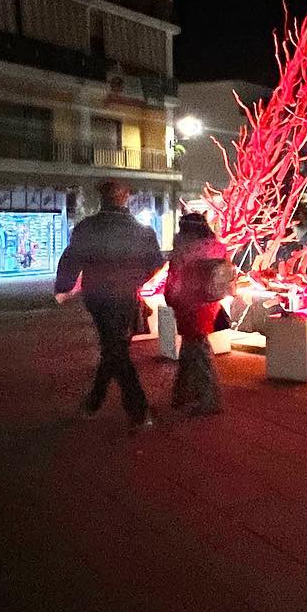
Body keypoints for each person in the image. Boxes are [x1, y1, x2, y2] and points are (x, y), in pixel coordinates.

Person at [54, 182, 164, 430]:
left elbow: (71, 258)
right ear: (125, 198)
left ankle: (99, 403)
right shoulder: (142, 231)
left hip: (97, 295)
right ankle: (136, 409)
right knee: (116, 347)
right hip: (126, 295)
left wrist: (63, 287)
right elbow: (155, 265)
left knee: (114, 347)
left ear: (101, 199)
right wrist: (139, 281)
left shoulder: (87, 227)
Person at [164, 210, 230, 416]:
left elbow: (174, 281)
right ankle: (182, 394)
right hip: (210, 302)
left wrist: (171, 301)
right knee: (191, 346)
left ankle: (209, 399)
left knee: (198, 349)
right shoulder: (218, 247)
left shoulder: (183, 249)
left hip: (188, 303)